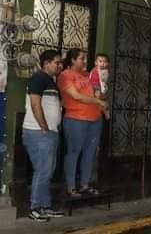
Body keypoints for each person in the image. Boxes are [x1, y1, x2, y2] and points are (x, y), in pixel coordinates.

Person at [58, 49, 107, 197]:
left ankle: (85, 184)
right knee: (73, 152)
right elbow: (76, 96)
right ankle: (71, 186)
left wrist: (103, 84)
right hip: (76, 119)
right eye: (81, 58)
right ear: (72, 60)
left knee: (90, 153)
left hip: (95, 119)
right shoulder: (65, 75)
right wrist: (97, 101)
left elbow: (100, 93)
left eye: (85, 58)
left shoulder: (88, 75)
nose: (84, 61)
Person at [23, 50, 64, 222]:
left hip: (48, 133)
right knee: (43, 170)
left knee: (47, 170)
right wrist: (44, 127)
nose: (60, 65)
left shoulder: (50, 81)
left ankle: (45, 206)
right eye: (57, 62)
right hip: (38, 132)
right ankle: (35, 208)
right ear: (46, 63)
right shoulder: (38, 78)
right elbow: (34, 102)